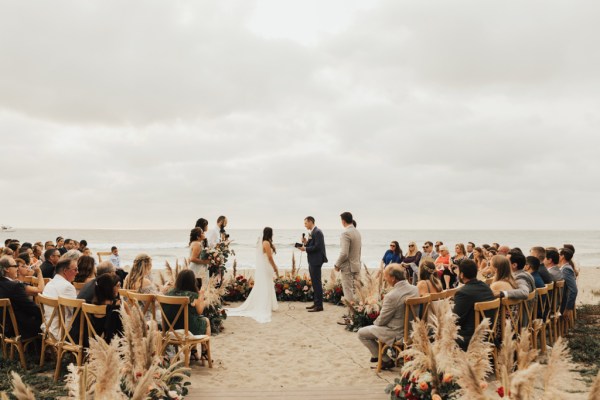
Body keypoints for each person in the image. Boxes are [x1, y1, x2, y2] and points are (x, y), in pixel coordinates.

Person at [357, 263, 418, 370]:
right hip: (413, 330)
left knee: (361, 333)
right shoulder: (415, 289)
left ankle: (385, 359)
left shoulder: (391, 296)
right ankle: (380, 355)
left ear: (393, 278)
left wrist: (374, 324)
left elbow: (381, 321)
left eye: (386, 276)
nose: (385, 279)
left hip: (398, 332)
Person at [226, 227, 279, 323]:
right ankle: (264, 304)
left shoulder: (266, 242)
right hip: (266, 266)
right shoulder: (266, 243)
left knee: (268, 284)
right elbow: (270, 257)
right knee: (266, 284)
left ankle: (269, 304)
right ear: (270, 233)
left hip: (266, 265)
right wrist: (275, 267)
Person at [453, 259, 495, 351]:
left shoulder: (463, 293)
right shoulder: (486, 287)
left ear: (462, 274)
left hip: (470, 338)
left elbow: (455, 320)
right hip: (489, 334)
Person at [0, 256, 42, 339]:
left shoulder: (8, 284)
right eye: (15, 266)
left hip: (3, 327)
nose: (18, 269)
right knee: (49, 319)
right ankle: (46, 348)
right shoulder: (15, 286)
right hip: (18, 328)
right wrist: (44, 314)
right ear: (7, 269)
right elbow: (30, 307)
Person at [42, 258, 79, 339]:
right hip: (61, 331)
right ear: (65, 271)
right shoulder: (68, 286)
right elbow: (76, 312)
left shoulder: (50, 283)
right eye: (75, 269)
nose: (77, 272)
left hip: (48, 327)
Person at [299, 216, 328, 312]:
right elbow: (312, 245)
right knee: (314, 283)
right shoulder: (313, 232)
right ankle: (316, 303)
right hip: (312, 260)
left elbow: (317, 247)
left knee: (317, 283)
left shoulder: (318, 232)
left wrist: (305, 249)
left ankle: (319, 305)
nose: (305, 225)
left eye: (306, 223)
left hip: (316, 260)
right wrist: (306, 243)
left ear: (311, 222)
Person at [333, 212, 362, 303]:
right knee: (357, 291)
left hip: (347, 267)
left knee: (348, 291)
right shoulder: (357, 233)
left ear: (343, 221)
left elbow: (344, 253)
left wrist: (337, 264)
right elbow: (359, 251)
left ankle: (350, 313)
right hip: (356, 265)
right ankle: (356, 312)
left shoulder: (346, 233)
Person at [89, 274, 123, 343]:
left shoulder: (89, 305)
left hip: (92, 342)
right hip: (112, 345)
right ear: (110, 289)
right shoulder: (116, 307)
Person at [559, 248, 578, 321]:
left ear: (562, 256)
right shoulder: (564, 268)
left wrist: (567, 309)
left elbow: (574, 290)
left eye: (558, 255)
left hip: (562, 304)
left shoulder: (566, 269)